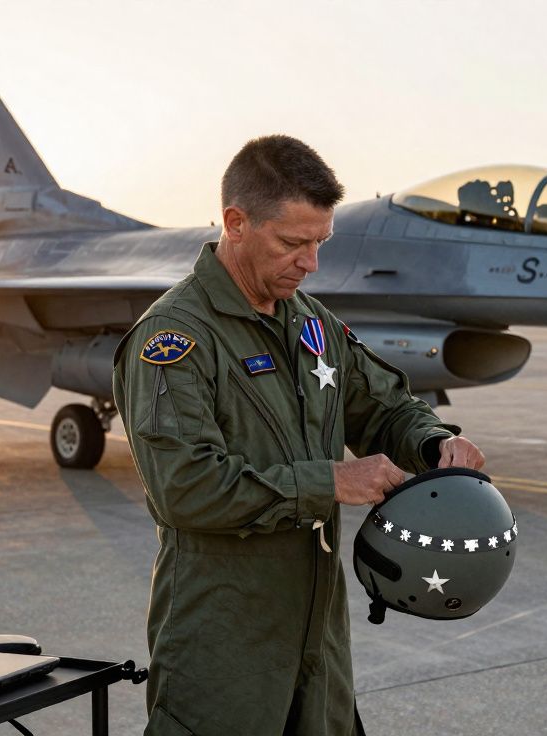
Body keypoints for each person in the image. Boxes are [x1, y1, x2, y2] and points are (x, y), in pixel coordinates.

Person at [112, 135, 485, 735]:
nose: (310, 262)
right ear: (236, 223)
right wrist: (329, 482)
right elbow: (184, 488)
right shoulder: (176, 339)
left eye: (319, 242)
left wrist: (432, 443)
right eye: (292, 243)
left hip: (318, 640)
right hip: (223, 642)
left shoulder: (313, 324)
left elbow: (384, 408)